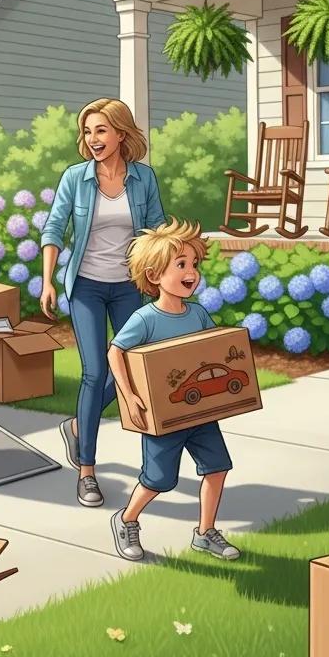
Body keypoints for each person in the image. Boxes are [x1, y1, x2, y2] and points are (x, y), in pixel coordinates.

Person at [40, 98, 165, 508]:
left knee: (129, 368)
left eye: (101, 130)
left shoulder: (143, 179)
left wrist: (161, 276)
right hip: (87, 286)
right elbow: (54, 228)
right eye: (88, 131)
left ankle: (79, 424)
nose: (93, 138)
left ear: (121, 133)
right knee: (94, 373)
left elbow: (156, 231)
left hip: (129, 287)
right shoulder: (75, 178)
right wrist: (47, 281)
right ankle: (87, 471)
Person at [107, 218, 239, 563]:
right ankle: (127, 519)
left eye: (194, 263)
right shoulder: (145, 319)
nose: (191, 272)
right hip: (163, 419)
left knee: (217, 467)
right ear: (154, 275)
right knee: (158, 480)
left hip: (199, 413)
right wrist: (129, 396)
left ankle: (205, 532)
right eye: (181, 264)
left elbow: (212, 348)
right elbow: (115, 352)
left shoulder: (198, 314)